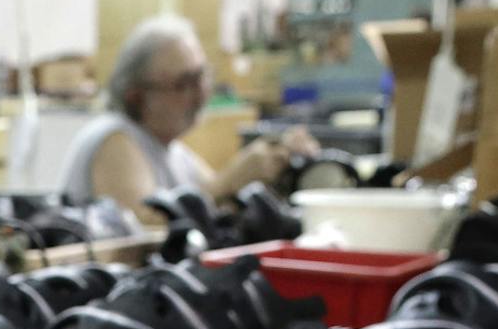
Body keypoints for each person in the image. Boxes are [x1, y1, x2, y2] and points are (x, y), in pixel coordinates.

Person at [58, 17, 315, 215]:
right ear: (136, 96)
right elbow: (144, 223)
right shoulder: (114, 139)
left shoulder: (174, 153)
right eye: (184, 83)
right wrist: (232, 180)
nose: (201, 93)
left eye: (202, 76)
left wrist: (277, 166)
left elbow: (215, 200)